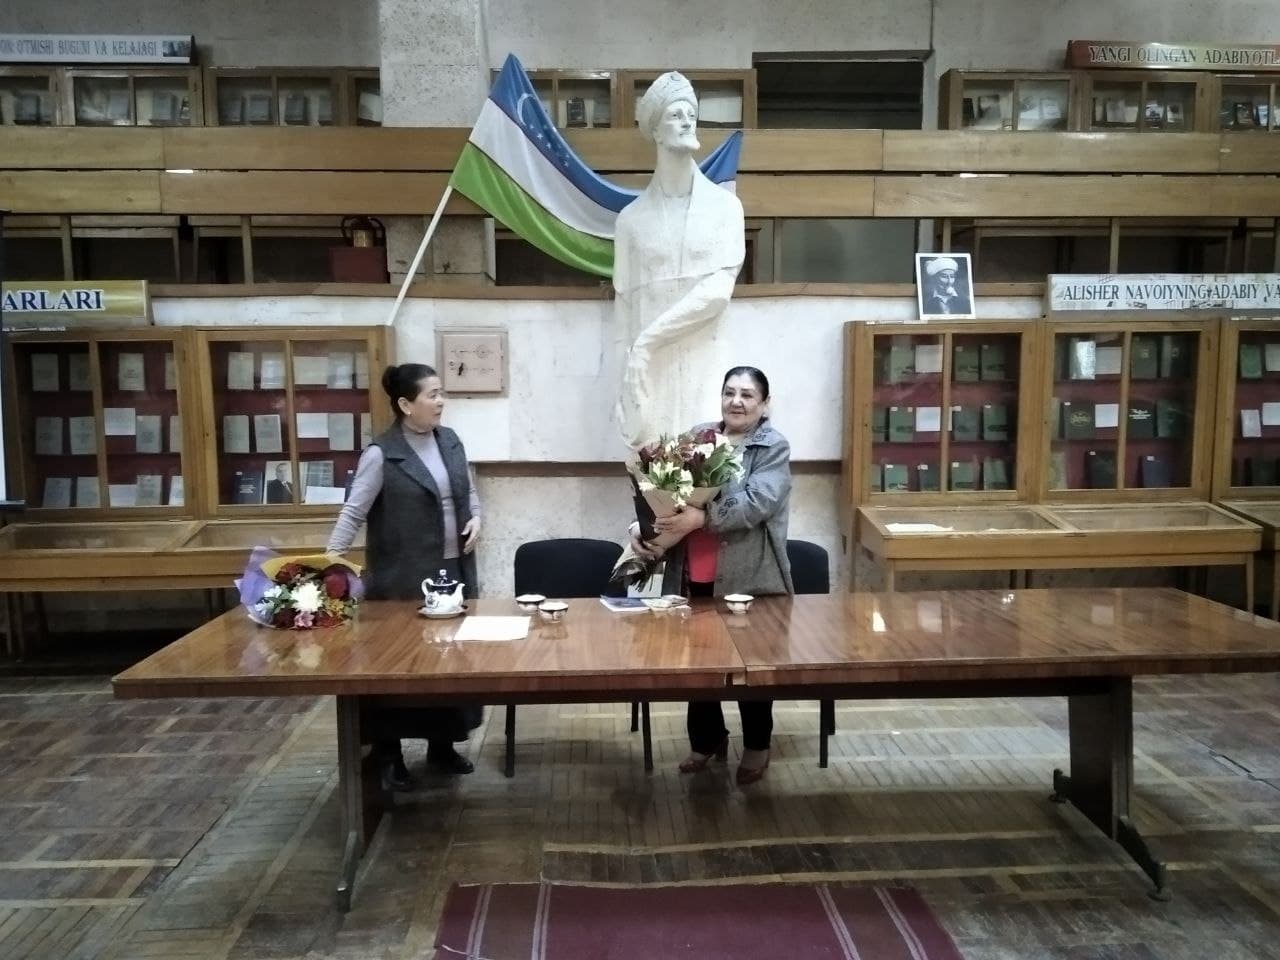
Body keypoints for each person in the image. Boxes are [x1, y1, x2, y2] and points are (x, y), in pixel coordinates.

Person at [628, 366, 793, 786]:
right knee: (698, 665)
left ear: (764, 404)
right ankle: (706, 739)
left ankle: (757, 745)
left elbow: (759, 501)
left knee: (752, 668)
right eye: (729, 392)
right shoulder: (699, 437)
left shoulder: (772, 446)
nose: (736, 401)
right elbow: (666, 493)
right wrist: (644, 527)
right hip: (692, 571)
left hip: (748, 575)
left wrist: (704, 517)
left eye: (747, 395)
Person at [327, 363, 483, 788]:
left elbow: (468, 491)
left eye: (441, 392)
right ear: (405, 404)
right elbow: (354, 512)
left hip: (454, 572)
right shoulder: (382, 454)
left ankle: (442, 746)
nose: (441, 401)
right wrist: (328, 562)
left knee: (450, 665)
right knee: (399, 668)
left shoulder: (450, 440)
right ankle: (390, 755)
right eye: (432, 394)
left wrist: (476, 518)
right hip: (402, 579)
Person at [613, 71, 745, 448]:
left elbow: (716, 293)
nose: (688, 121)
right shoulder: (631, 221)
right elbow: (624, 311)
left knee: (706, 468)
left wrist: (647, 342)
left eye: (691, 113)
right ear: (656, 130)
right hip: (650, 380)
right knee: (650, 476)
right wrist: (624, 385)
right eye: (675, 114)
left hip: (704, 366)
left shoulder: (725, 208)